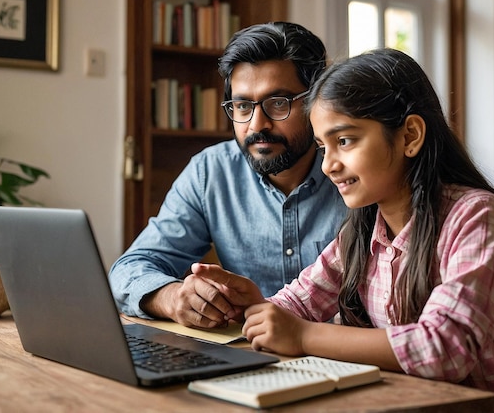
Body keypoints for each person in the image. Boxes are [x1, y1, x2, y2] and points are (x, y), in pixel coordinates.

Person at [192, 48, 494, 412]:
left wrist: (302, 335)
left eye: (344, 141)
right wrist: (251, 306)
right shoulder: (363, 229)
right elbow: (298, 304)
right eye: (322, 146)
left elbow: (442, 349)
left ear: (410, 135)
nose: (329, 165)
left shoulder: (478, 217)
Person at [109, 22, 347, 329]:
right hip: (246, 354)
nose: (256, 125)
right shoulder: (211, 172)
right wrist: (174, 298)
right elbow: (130, 268)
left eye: (278, 103)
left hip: (343, 356)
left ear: (316, 100)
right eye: (243, 106)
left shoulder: (355, 173)